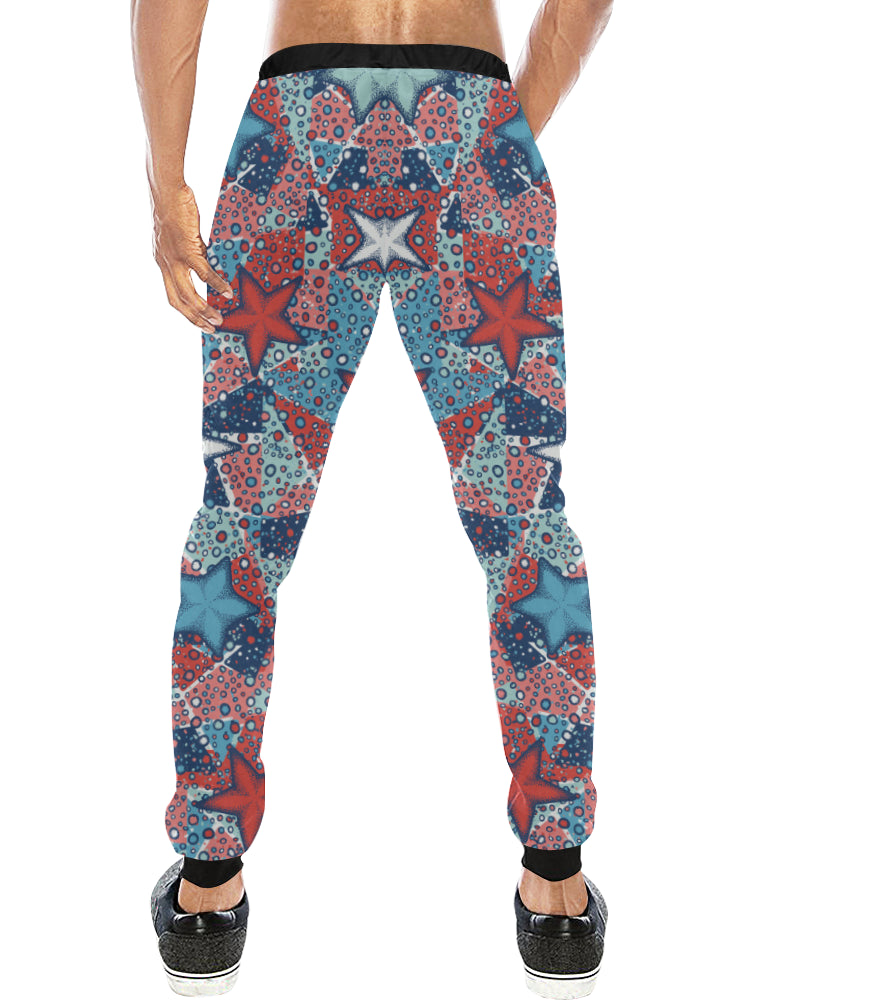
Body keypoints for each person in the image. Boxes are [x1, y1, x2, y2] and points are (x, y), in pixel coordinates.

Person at [133, 1, 614, 995]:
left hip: (302, 125)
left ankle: (209, 885)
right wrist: (500, 126)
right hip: (468, 114)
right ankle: (556, 886)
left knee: (242, 519)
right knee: (524, 517)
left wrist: (166, 180)